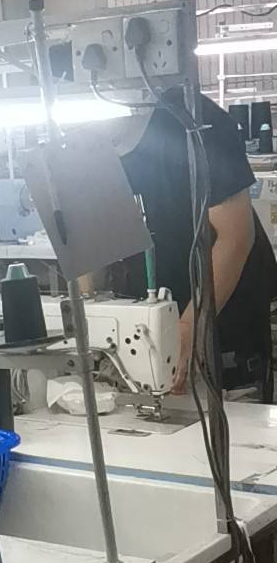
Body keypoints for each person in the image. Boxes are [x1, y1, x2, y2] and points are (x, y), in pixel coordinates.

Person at [110, 92, 277, 400]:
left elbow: (236, 238)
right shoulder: (82, 136)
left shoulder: (198, 121)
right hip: (146, 326)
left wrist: (189, 328)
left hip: (222, 325)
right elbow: (85, 241)